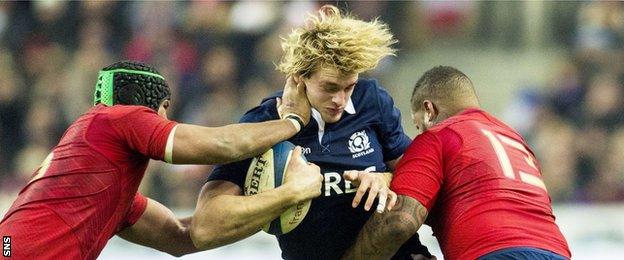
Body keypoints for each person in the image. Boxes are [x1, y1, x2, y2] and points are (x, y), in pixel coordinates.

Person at [0, 61, 323, 259]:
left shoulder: (106, 182)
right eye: (166, 110)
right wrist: (292, 122)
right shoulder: (121, 117)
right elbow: (222, 144)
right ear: (151, 104)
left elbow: (184, 237)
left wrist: (268, 207)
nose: (166, 119)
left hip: (9, 247)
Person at [191, 5, 433, 259]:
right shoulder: (265, 121)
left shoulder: (371, 99)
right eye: (329, 87)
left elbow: (420, 176)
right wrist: (290, 194)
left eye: (348, 86)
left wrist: (385, 179)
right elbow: (205, 227)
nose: (340, 99)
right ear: (300, 76)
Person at [343, 66, 572, 260]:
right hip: (556, 251)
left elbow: (399, 223)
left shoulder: (439, 135)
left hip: (493, 252)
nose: (419, 132)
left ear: (429, 110)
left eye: (418, 124)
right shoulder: (516, 141)